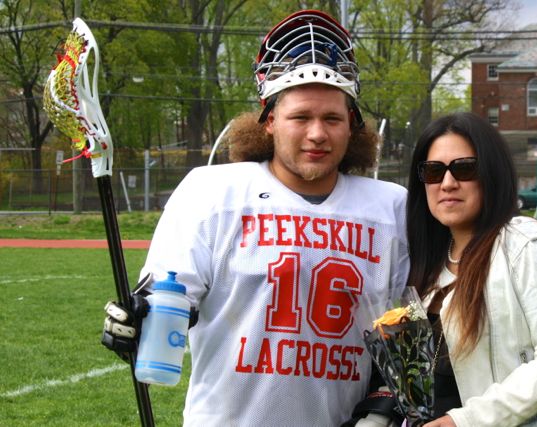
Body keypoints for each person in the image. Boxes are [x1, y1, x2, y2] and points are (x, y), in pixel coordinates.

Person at [102, 9, 409, 427]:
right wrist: (140, 320)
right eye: (300, 117)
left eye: (332, 118)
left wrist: (382, 405)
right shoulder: (213, 193)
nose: (317, 133)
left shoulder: (391, 208)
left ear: (352, 126)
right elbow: (170, 302)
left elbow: (407, 336)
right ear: (268, 122)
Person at [405, 112, 537, 427]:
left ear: (492, 173)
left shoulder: (528, 244)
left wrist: (463, 421)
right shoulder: (428, 263)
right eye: (434, 171)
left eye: (464, 168)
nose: (448, 183)